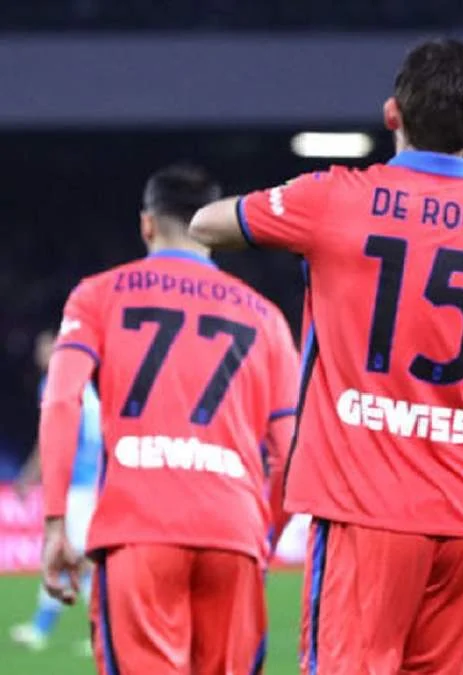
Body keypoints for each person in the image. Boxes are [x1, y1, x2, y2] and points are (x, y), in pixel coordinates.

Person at [189, 38, 463, 675]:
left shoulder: (333, 197)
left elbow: (207, 224)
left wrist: (288, 213)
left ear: (391, 114)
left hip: (362, 512)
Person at [39, 164, 299, 674]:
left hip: (139, 529)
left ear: (147, 224)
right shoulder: (266, 317)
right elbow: (290, 454)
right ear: (212, 228)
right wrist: (263, 539)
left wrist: (54, 524)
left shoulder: (97, 295)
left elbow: (62, 400)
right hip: (233, 532)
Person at [9, 330, 101, 656]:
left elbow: (52, 437)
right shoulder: (85, 383)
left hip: (76, 485)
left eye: (45, 346)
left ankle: (101, 629)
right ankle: (44, 627)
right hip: (88, 482)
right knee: (72, 557)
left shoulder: (56, 383)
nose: (39, 352)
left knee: (75, 557)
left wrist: (28, 476)